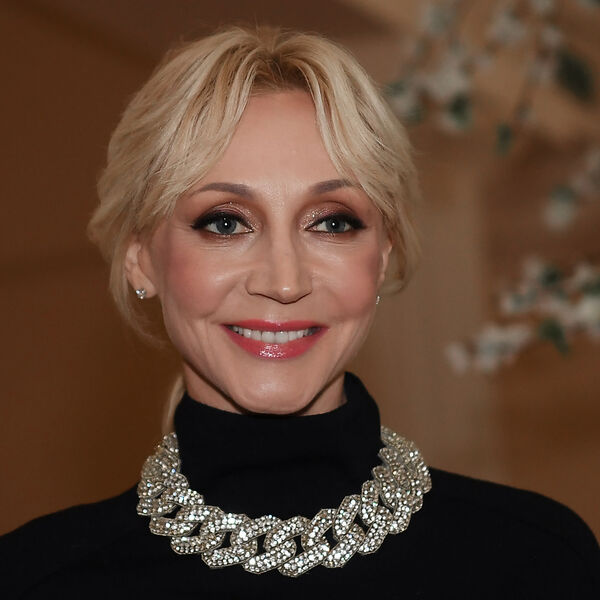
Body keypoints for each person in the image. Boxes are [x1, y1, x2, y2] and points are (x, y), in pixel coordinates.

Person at [1, 26, 598, 599]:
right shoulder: (35, 579)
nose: (284, 282)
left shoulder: (537, 564)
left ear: (383, 256)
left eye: (332, 222)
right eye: (225, 223)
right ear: (140, 260)